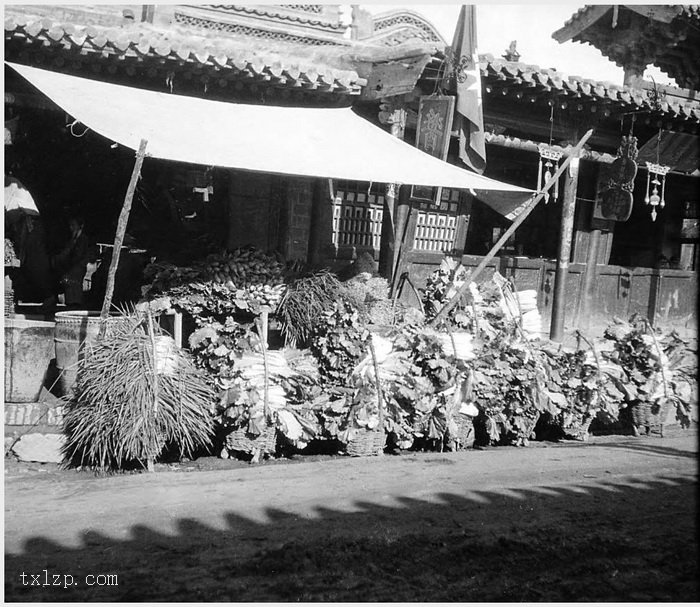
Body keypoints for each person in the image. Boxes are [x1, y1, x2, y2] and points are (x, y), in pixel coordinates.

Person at [52, 216, 89, 309]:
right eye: (70, 225)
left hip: (78, 266)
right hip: (71, 266)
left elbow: (79, 254)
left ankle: (75, 305)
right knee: (69, 285)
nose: (71, 228)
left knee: (75, 286)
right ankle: (71, 304)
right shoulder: (73, 239)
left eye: (73, 225)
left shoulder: (83, 238)